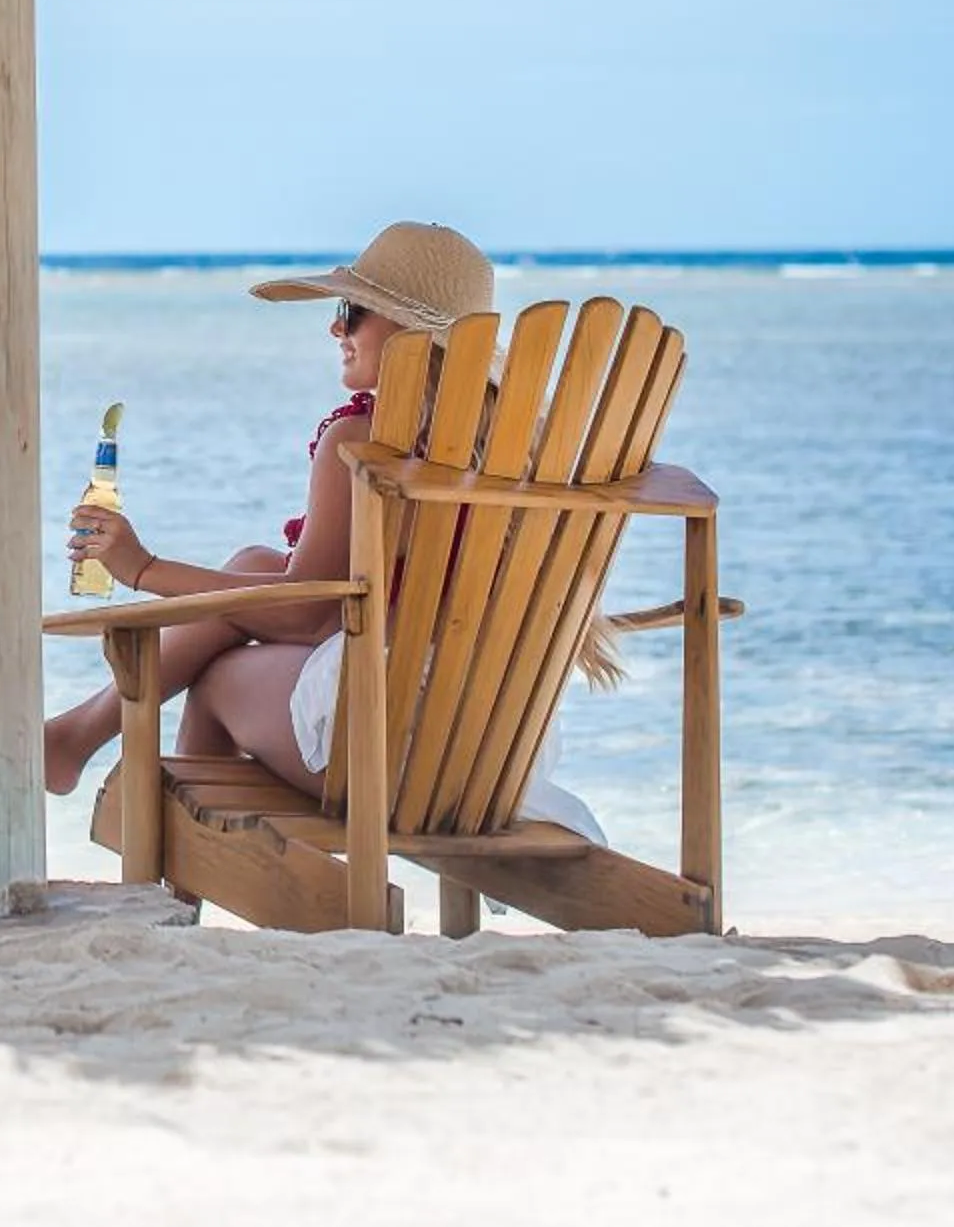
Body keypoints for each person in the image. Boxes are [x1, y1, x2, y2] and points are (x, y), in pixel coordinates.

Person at [42, 221, 604, 843]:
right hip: (489, 751)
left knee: (217, 670)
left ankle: (188, 868)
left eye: (353, 311)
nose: (337, 328)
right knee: (258, 564)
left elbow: (308, 617)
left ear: (410, 334)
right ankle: (76, 737)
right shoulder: (510, 448)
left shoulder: (363, 441)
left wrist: (143, 569)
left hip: (387, 744)